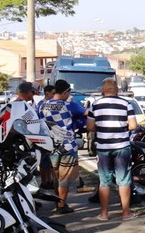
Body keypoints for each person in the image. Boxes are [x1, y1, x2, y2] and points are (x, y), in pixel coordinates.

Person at [86, 78, 138, 221]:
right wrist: (121, 128)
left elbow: (90, 127)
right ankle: (126, 213)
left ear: (102, 90)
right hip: (122, 146)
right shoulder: (126, 104)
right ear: (117, 90)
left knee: (104, 181)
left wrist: (102, 128)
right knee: (124, 179)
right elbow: (133, 125)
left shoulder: (95, 105)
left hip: (103, 147)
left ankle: (104, 214)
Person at [38, 79, 87, 215]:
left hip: (50, 145)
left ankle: (57, 201)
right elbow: (87, 114)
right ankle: (61, 205)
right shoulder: (69, 105)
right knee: (64, 178)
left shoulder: (42, 105)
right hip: (67, 146)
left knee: (56, 177)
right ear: (65, 92)